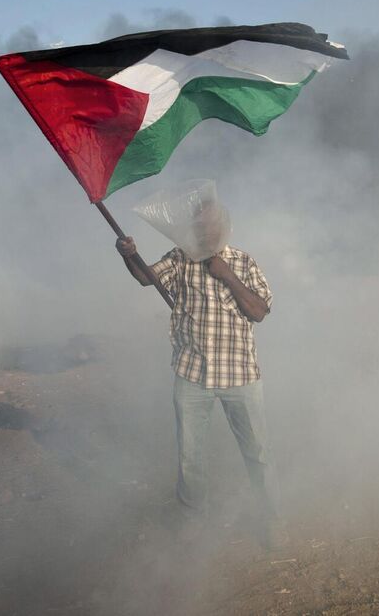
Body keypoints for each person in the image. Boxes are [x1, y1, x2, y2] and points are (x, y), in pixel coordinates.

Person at [115, 204, 287, 548]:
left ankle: (271, 520)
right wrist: (129, 255)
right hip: (192, 374)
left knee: (257, 452)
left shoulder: (243, 262)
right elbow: (146, 278)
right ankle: (195, 522)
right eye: (200, 226)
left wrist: (226, 274)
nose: (206, 232)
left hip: (240, 375)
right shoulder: (181, 258)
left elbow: (259, 312)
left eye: (213, 226)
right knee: (190, 456)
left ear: (225, 228)